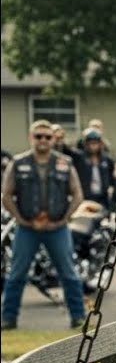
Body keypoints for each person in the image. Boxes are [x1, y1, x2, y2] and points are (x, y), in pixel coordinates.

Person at [2, 120, 87, 329]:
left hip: (57, 228)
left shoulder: (64, 163)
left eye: (47, 137)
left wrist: (64, 219)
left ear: (53, 139)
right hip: (27, 228)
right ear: (31, 138)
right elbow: (6, 195)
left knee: (68, 273)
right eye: (38, 136)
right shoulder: (19, 162)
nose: (43, 140)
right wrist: (20, 220)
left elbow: (77, 195)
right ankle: (8, 318)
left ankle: (78, 317)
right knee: (16, 273)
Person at [73, 127, 114, 207]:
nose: (93, 146)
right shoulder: (80, 158)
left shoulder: (106, 160)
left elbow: (112, 176)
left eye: (95, 143)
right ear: (86, 144)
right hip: (86, 196)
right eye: (90, 143)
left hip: (102, 197)